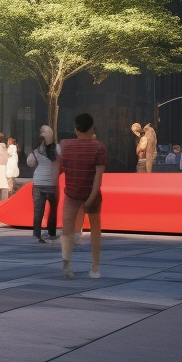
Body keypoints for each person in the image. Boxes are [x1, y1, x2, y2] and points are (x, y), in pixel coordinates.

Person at [59, 112, 107, 279]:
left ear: (76, 129)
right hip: (91, 195)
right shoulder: (99, 147)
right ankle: (95, 268)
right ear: (92, 128)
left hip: (71, 194)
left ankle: (66, 264)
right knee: (95, 229)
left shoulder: (65, 145)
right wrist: (91, 198)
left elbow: (59, 169)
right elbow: (98, 177)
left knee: (67, 229)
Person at [25, 124, 60, 243]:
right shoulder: (57, 148)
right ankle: (52, 232)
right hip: (53, 184)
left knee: (38, 211)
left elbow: (30, 163)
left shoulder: (36, 151)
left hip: (38, 183)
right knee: (53, 210)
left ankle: (37, 234)